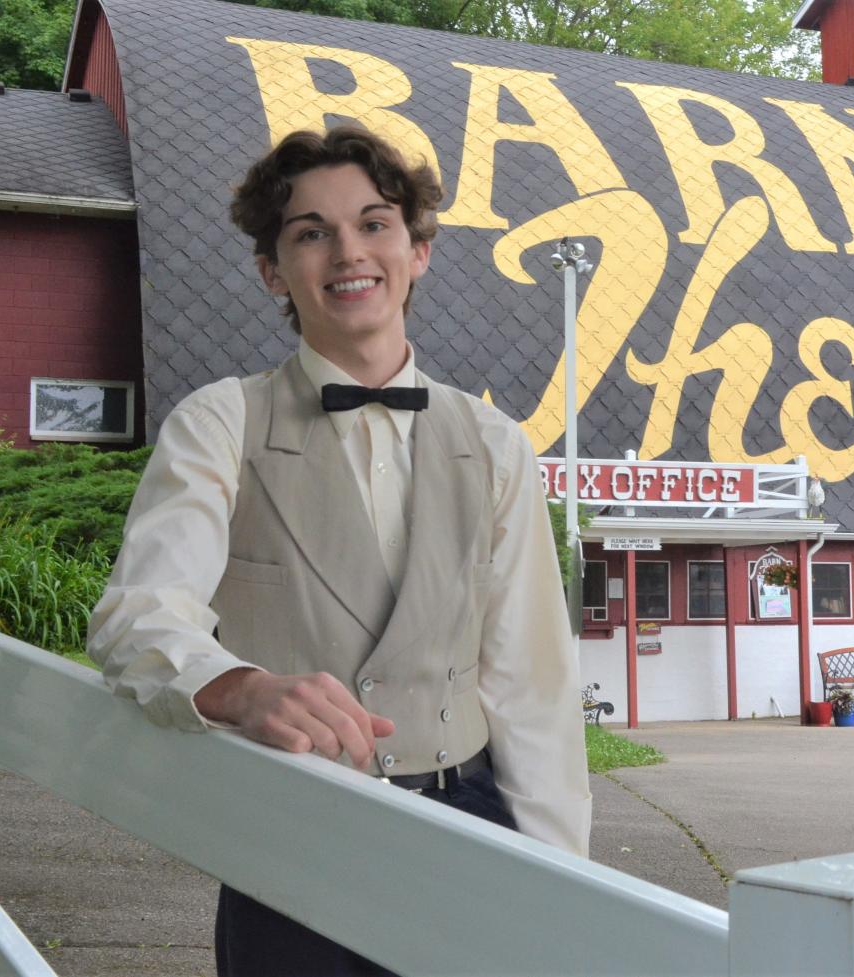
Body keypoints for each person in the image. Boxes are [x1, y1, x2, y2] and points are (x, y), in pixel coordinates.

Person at [87, 126, 591, 977]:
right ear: (272, 270)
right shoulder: (221, 423)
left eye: (374, 222)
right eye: (311, 232)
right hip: (294, 833)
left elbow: (533, 685)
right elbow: (138, 613)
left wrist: (562, 888)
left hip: (469, 825)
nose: (347, 251)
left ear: (418, 249)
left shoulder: (498, 444)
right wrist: (238, 687)